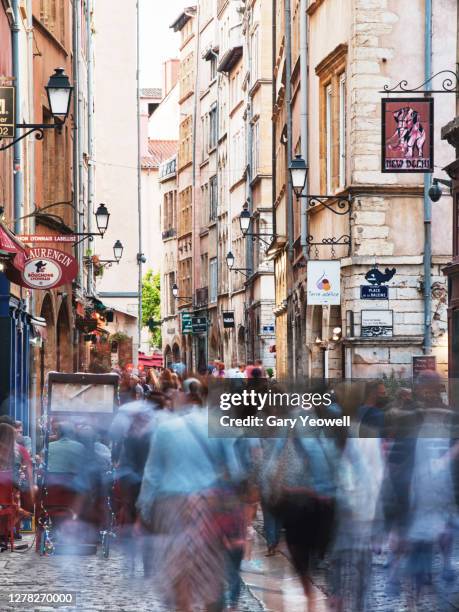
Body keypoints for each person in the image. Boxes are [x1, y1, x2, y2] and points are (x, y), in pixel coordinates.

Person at [137, 390, 243, 611]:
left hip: (172, 504)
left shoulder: (165, 429)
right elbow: (235, 471)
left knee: (178, 567)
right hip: (209, 504)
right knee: (210, 568)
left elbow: (152, 475)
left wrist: (144, 511)